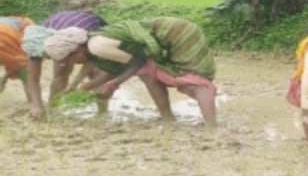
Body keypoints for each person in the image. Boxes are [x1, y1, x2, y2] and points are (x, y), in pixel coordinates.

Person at [44, 17, 219, 126]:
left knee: (193, 80)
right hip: (168, 35)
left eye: (71, 59)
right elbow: (116, 69)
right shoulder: (95, 46)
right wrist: (88, 86)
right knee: (149, 74)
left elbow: (138, 62)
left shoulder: (97, 46)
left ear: (77, 51)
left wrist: (113, 85)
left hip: (177, 34)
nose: (73, 63)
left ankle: (211, 128)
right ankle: (167, 119)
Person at [22, 10, 105, 118]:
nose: (66, 61)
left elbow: (93, 60)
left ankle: (103, 112)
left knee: (96, 74)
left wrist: (75, 84)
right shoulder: (35, 46)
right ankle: (52, 110)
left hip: (85, 28)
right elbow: (32, 78)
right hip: (59, 28)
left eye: (69, 58)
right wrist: (37, 105)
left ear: (77, 51)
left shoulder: (90, 40)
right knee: (61, 73)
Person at [0, 16, 34, 107]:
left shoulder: (15, 22)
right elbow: (20, 64)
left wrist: (5, 78)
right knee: (27, 72)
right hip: (5, 37)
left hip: (5, 37)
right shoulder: (31, 34)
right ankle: (33, 102)